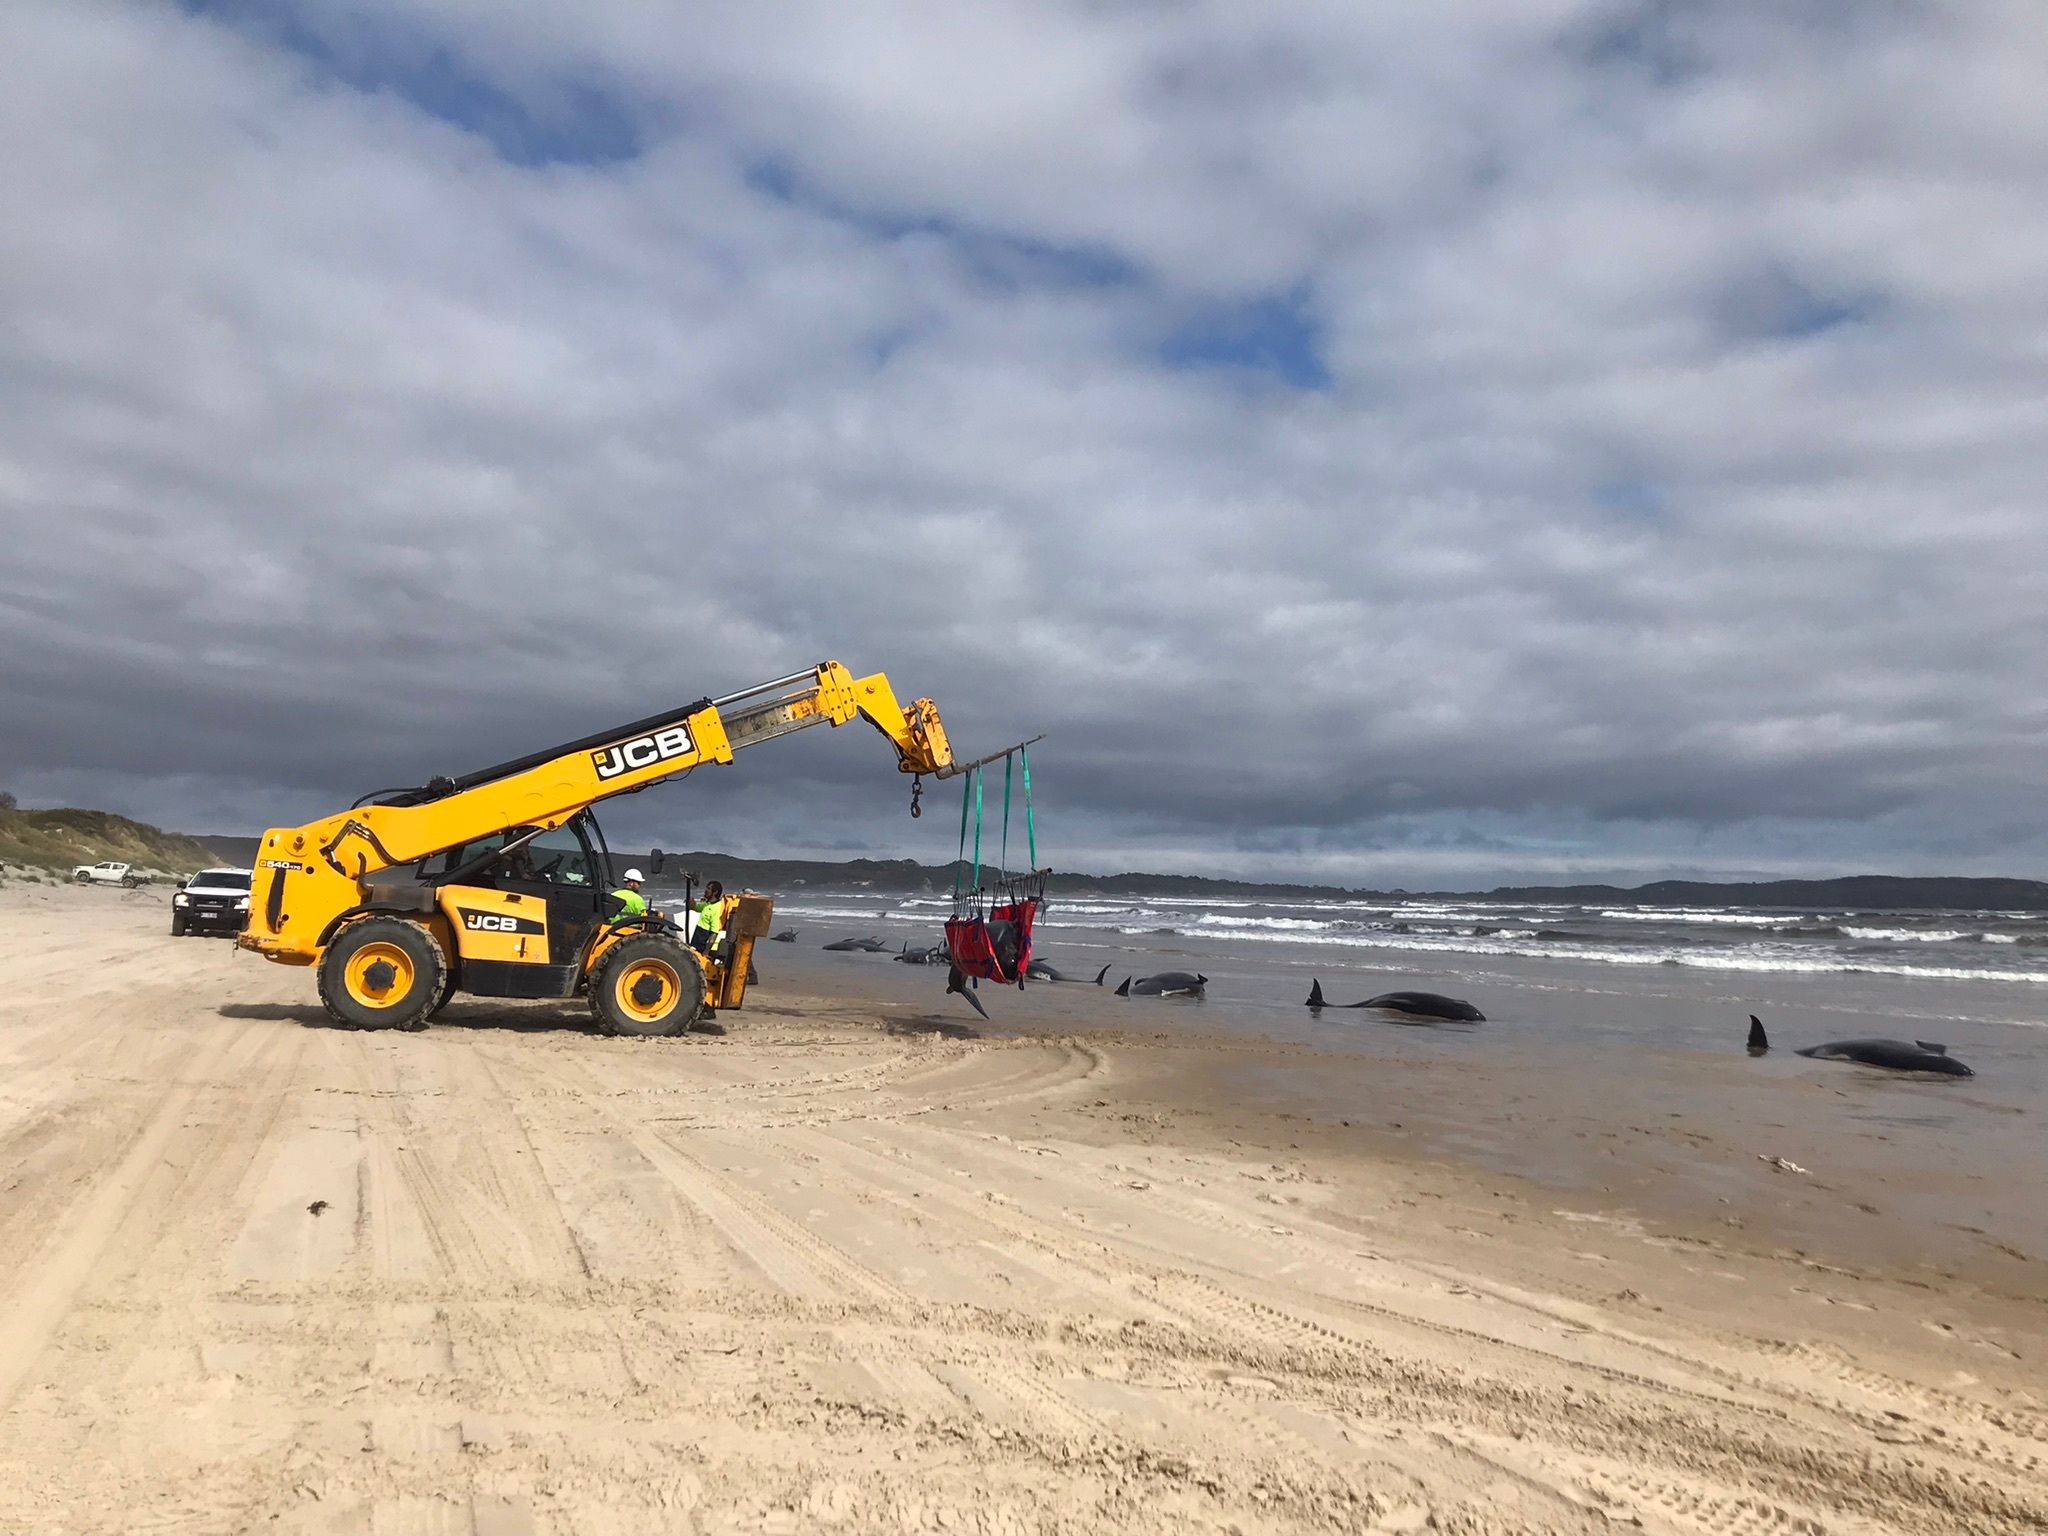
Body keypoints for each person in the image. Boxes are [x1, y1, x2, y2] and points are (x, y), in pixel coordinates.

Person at [690, 880, 728, 954]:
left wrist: (707, 950)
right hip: (698, 943)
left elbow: (714, 932)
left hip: (706, 946)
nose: (705, 890)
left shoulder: (717, 908)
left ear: (715, 892)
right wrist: (691, 902)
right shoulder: (707, 904)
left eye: (708, 889)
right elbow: (695, 907)